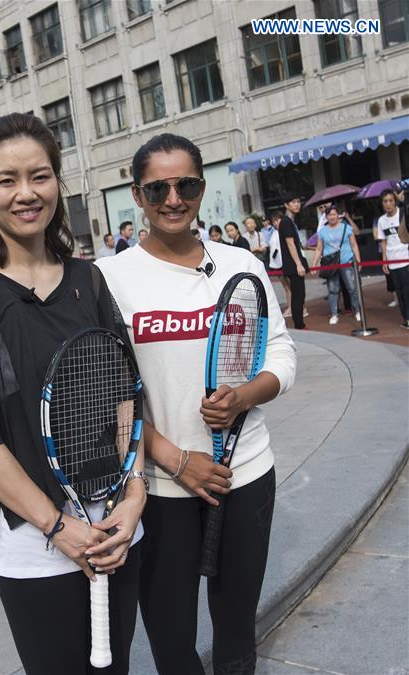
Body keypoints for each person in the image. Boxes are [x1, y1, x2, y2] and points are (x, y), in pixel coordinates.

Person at [0, 112, 145, 675]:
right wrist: (58, 527)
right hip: (37, 543)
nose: (26, 193)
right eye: (7, 180)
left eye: (40, 175)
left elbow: (125, 396)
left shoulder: (89, 280)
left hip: (118, 525)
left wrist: (135, 497)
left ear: (58, 180)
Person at [96, 133, 296, 675]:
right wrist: (177, 460)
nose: (173, 198)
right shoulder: (106, 280)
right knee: (171, 639)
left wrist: (244, 398)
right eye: (157, 187)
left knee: (236, 631)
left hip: (245, 473)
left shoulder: (242, 264)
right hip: (160, 490)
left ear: (202, 187)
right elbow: (108, 396)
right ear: (137, 195)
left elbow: (280, 352)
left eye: (185, 184)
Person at [312, 205, 362, 325]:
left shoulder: (347, 228)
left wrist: (358, 260)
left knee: (352, 288)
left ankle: (358, 311)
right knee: (333, 290)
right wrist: (314, 264)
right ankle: (334, 314)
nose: (332, 217)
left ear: (338, 215)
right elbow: (319, 249)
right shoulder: (322, 231)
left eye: (334, 214)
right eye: (329, 215)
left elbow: (354, 244)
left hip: (346, 261)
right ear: (326, 217)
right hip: (331, 264)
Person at [376, 189, 409, 328]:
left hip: (405, 258)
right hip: (392, 261)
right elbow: (383, 241)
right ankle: (406, 319)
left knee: (407, 291)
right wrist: (384, 260)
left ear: (395, 201)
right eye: (385, 201)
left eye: (390, 200)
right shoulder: (381, 220)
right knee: (399, 292)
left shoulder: (403, 215)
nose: (388, 204)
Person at [279, 194, 308, 329]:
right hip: (293, 265)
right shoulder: (286, 222)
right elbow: (290, 243)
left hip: (294, 264)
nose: (297, 204)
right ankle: (299, 324)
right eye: (293, 202)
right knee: (298, 295)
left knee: (299, 294)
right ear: (286, 205)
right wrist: (298, 264)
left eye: (298, 201)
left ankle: (299, 323)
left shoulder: (290, 221)